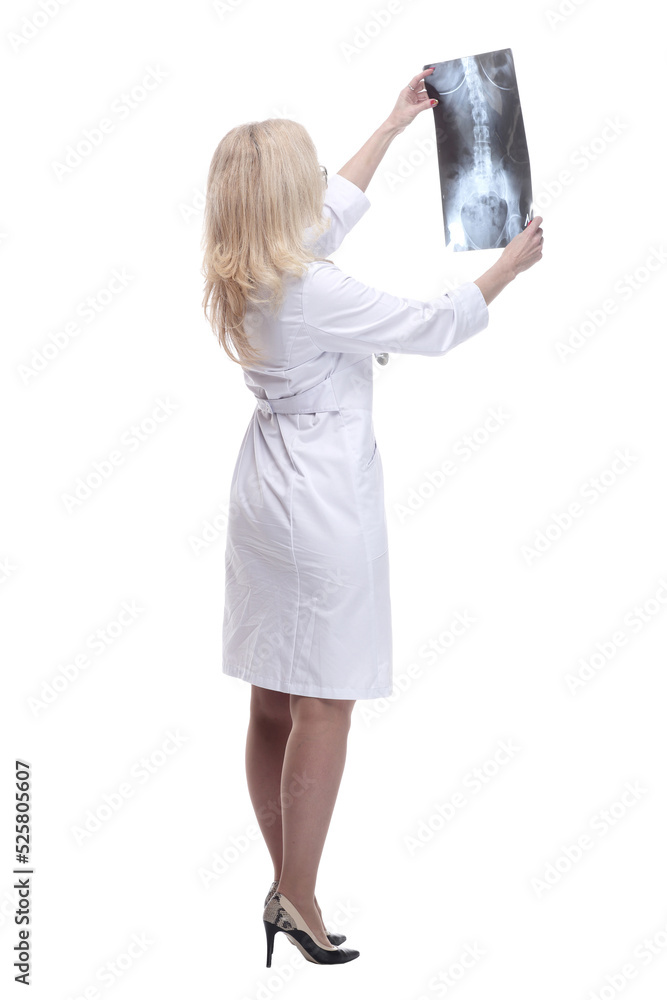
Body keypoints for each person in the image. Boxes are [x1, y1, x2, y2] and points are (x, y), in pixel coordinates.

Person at [201, 67, 544, 968]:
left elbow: (335, 209)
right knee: (327, 701)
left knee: (273, 693)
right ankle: (299, 894)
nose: (320, 187)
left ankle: (285, 883)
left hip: (262, 498)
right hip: (319, 507)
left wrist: (392, 127)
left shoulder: (242, 266)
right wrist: (506, 268)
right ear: (282, 198)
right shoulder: (310, 289)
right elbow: (426, 326)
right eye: (304, 178)